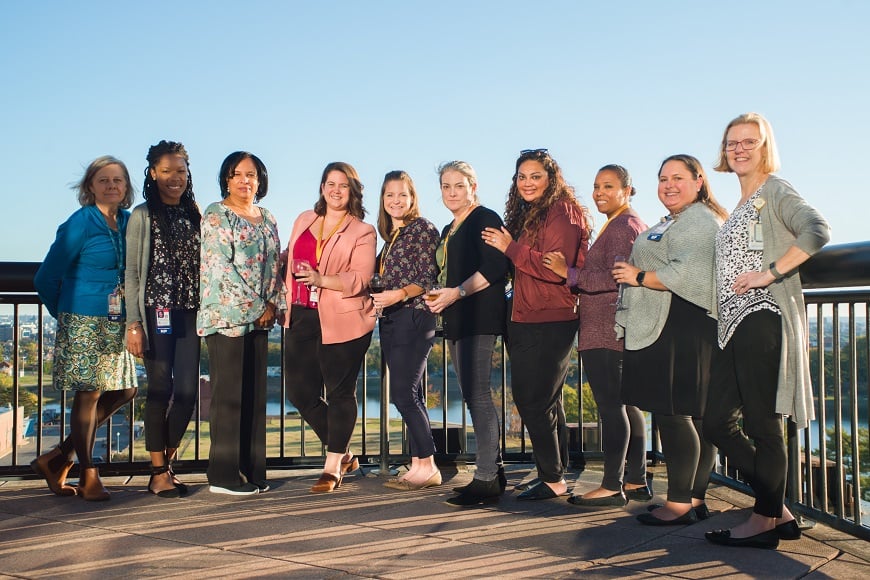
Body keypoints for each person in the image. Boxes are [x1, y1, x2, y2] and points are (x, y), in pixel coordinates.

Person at [704, 113, 830, 549]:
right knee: (716, 421)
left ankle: (764, 521)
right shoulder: (740, 202)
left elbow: (817, 230)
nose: (739, 149)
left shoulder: (775, 189)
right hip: (731, 324)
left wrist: (770, 272)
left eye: (749, 142)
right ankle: (778, 509)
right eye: (732, 142)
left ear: (764, 147)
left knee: (762, 423)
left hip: (761, 316)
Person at [613, 154, 727, 525]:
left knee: (675, 414)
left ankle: (679, 504)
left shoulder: (698, 220)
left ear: (699, 181)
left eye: (678, 178)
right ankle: (693, 500)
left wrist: (639, 276)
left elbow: (689, 273)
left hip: (680, 325)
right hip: (675, 323)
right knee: (690, 415)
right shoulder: (678, 220)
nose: (669, 185)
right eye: (663, 179)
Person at [483, 149, 590, 501]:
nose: (527, 183)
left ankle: (553, 478)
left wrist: (510, 248)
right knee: (545, 401)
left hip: (550, 316)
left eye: (535, 176)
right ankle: (554, 471)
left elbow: (552, 268)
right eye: (522, 177)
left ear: (551, 179)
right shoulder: (536, 213)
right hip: (528, 314)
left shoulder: (562, 214)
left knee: (530, 400)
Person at [32, 156, 138, 501]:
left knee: (125, 391)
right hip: (81, 320)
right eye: (104, 180)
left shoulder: (127, 222)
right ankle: (88, 475)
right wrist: (65, 315)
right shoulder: (79, 223)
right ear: (90, 186)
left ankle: (58, 457)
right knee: (89, 393)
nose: (111, 186)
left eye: (118, 180)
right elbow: (45, 277)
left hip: (115, 321)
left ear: (126, 188)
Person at [544, 164, 650, 507]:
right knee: (628, 405)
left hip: (606, 329)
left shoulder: (623, 226)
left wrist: (569, 273)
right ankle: (635, 480)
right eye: (596, 186)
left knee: (611, 407)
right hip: (613, 328)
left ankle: (611, 485)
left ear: (627, 190)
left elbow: (618, 276)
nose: (599, 192)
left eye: (608, 186)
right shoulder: (625, 223)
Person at [283, 162, 376, 493]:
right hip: (301, 315)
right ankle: (347, 452)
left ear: (352, 190)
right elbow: (291, 257)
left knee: (339, 392)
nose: (335, 190)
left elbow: (361, 278)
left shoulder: (363, 231)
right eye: (330, 183)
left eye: (343, 185)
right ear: (322, 187)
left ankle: (332, 464)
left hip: (344, 318)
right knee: (299, 392)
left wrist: (322, 279)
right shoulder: (304, 219)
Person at [198, 151, 281, 496]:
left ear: (260, 180)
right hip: (227, 316)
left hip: (261, 318)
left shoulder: (268, 217)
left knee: (253, 396)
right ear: (226, 180)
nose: (244, 181)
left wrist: (273, 303)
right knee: (228, 397)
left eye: (250, 175)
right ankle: (223, 475)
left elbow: (277, 263)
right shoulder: (216, 214)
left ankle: (251, 469)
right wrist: (256, 305)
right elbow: (219, 266)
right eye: (236, 174)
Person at [426, 161, 509, 506]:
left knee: (477, 396)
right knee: (470, 394)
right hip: (458, 320)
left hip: (479, 317)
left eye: (459, 185)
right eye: (446, 186)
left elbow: (496, 266)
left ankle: (487, 478)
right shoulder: (449, 228)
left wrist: (457, 292)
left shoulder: (484, 218)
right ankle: (494, 470)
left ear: (473, 186)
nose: (451, 192)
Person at [125, 140, 201, 498]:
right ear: (153, 173)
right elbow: (133, 273)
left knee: (187, 393)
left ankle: (165, 465)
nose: (175, 178)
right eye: (167, 171)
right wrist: (133, 324)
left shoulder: (195, 214)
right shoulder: (143, 215)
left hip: (190, 312)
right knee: (160, 390)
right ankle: (158, 473)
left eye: (181, 171)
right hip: (157, 313)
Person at [370, 171, 442, 491]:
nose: (395, 201)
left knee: (403, 394)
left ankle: (428, 464)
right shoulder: (391, 239)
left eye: (402, 195)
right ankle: (418, 464)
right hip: (392, 320)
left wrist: (396, 295)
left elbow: (427, 277)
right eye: (389, 195)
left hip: (414, 317)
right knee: (413, 395)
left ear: (412, 198)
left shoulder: (423, 229)